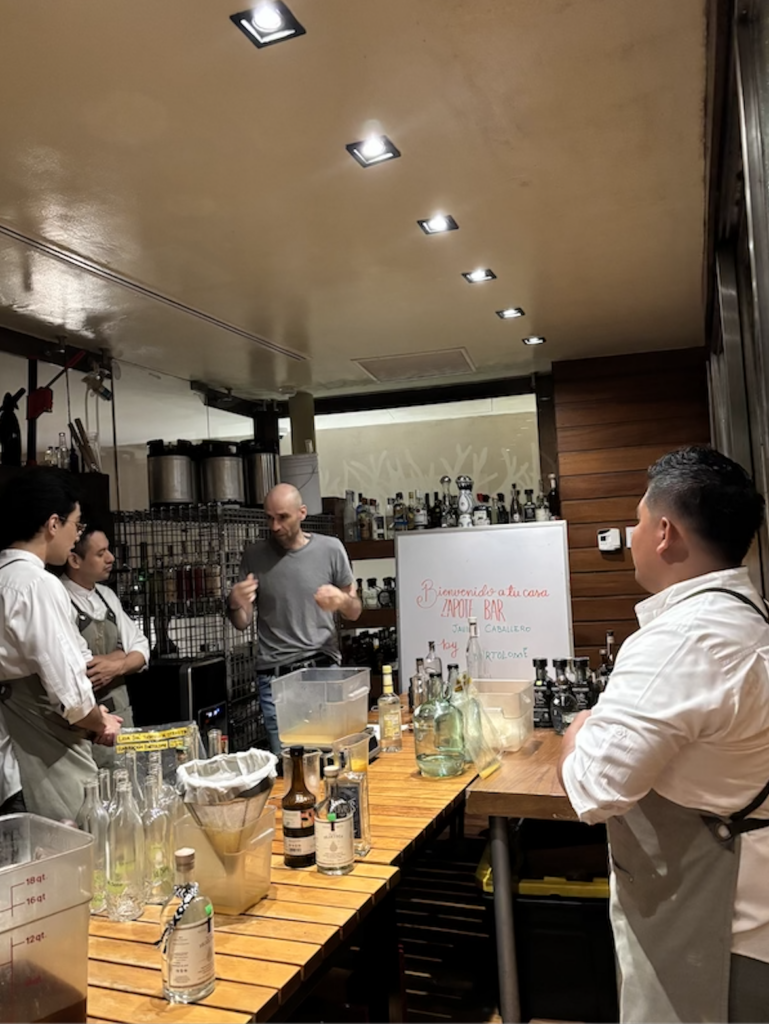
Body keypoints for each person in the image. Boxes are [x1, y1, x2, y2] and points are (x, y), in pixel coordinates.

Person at [557, 446, 769, 1023]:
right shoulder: (748, 614)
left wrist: (576, 733)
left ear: (665, 532)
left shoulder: (681, 639)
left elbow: (594, 788)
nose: (631, 535)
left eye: (638, 520)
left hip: (714, 934)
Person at [0, 468, 122, 820]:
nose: (76, 535)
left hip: (8, 768)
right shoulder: (36, 585)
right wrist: (100, 722)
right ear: (53, 523)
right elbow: (73, 700)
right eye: (77, 524)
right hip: (40, 765)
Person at [227, 483, 362, 755]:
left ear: (302, 513)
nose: (275, 526)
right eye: (269, 518)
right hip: (275, 678)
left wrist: (342, 600)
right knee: (288, 766)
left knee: (331, 761)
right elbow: (242, 621)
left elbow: (355, 611)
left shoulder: (330, 549)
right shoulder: (254, 555)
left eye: (283, 517)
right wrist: (234, 602)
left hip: (322, 669)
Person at [62, 524, 150, 766]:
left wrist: (117, 664)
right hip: (87, 725)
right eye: (101, 554)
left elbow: (142, 648)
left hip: (121, 716)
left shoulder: (107, 596)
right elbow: (83, 666)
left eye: (108, 550)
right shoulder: (60, 598)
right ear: (75, 560)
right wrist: (122, 654)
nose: (111, 558)